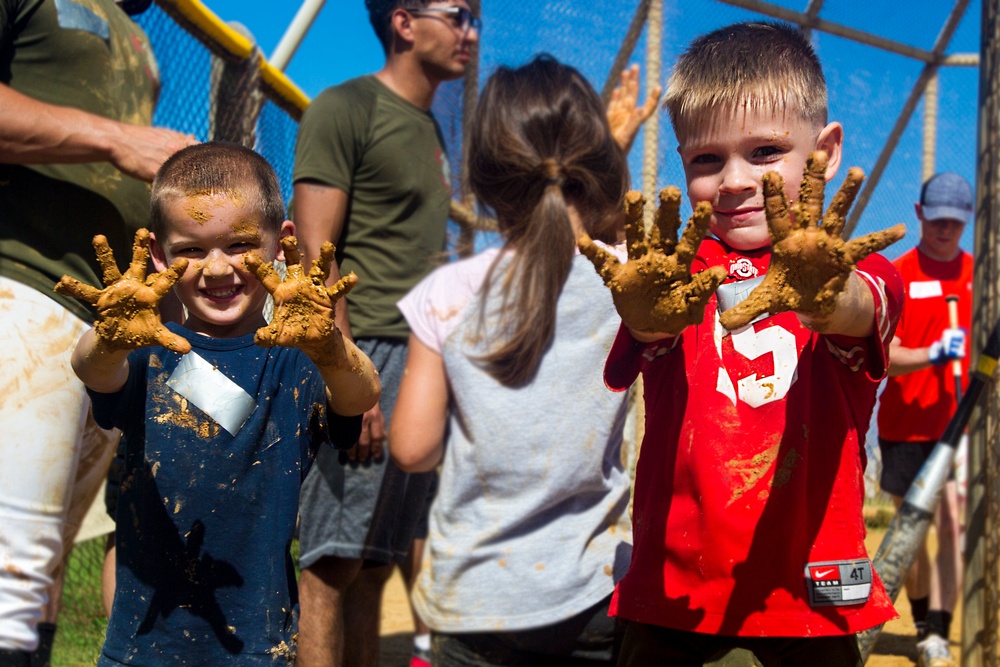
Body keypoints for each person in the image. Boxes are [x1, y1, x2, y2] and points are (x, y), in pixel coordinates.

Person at [578, 21, 908, 666]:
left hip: (812, 583)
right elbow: (650, 328)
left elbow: (858, 307)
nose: (733, 179)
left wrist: (823, 294)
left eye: (764, 151)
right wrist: (645, 316)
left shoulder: (852, 268)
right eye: (706, 158)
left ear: (826, 149)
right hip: (677, 584)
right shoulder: (677, 270)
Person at [54, 141, 381, 664]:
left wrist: (330, 346)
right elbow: (92, 368)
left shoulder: (294, 363)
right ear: (159, 255)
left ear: (282, 243)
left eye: (240, 245)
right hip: (144, 645)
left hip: (255, 644)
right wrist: (111, 337)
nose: (217, 268)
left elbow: (359, 396)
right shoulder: (154, 353)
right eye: (191, 250)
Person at [389, 54, 633, 667]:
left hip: (476, 598)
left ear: (487, 180)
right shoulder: (629, 283)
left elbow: (413, 448)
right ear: (596, 169)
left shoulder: (446, 293)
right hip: (596, 589)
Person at [0, 0, 196, 662]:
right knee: (11, 577)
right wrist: (119, 138)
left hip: (107, 332)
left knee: (40, 580)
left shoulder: (137, 35)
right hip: (20, 284)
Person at [290, 1, 478, 665]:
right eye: (457, 14)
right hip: (361, 346)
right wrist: (350, 381)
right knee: (329, 562)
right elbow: (316, 249)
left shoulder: (431, 125)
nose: (471, 31)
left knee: (374, 560)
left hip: (421, 357)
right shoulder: (344, 107)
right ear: (403, 21)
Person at [876, 171, 974, 667]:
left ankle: (940, 630)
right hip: (904, 425)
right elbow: (883, 355)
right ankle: (920, 623)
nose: (945, 231)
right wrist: (932, 353)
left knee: (953, 523)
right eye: (937, 221)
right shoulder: (899, 275)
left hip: (958, 426)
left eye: (955, 223)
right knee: (913, 531)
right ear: (920, 215)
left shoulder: (980, 274)